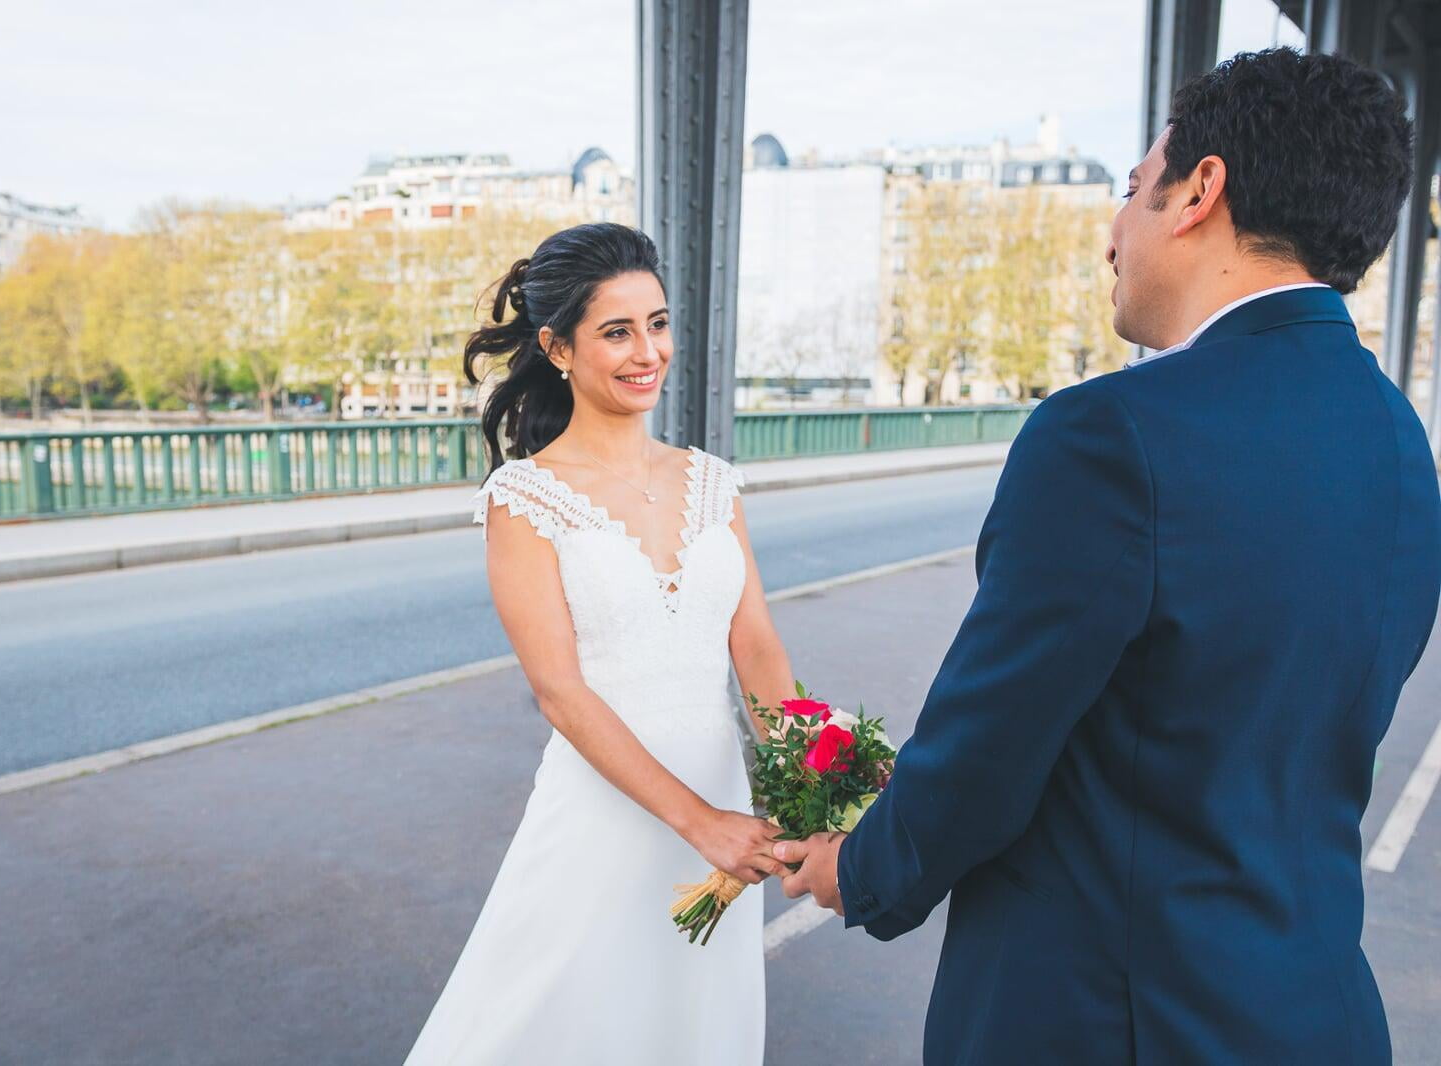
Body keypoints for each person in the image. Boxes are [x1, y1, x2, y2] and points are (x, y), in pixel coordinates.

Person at [777, 48, 1440, 1065]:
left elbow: (989, 744)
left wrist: (857, 868)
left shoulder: (1109, 434)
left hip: (1109, 1018)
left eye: (1130, 190)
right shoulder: (1399, 442)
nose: (1109, 235)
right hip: (1311, 1012)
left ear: (1199, 193)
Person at [405, 222, 794, 1064]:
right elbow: (561, 693)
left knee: (691, 1024)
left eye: (656, 323)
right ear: (557, 347)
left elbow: (756, 645)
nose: (646, 350)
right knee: (559, 1022)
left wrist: (806, 781)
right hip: (605, 815)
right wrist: (702, 824)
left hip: (723, 794)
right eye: (616, 331)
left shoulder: (712, 481)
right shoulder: (524, 498)